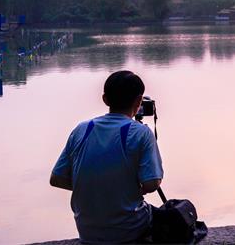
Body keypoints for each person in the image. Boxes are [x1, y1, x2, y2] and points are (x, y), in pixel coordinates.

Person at [50, 70, 164, 243]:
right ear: (139, 100)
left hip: (87, 232)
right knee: (178, 214)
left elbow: (57, 179)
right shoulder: (141, 133)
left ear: (105, 99)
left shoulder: (82, 129)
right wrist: (124, 190)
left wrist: (97, 188)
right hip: (129, 229)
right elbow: (152, 183)